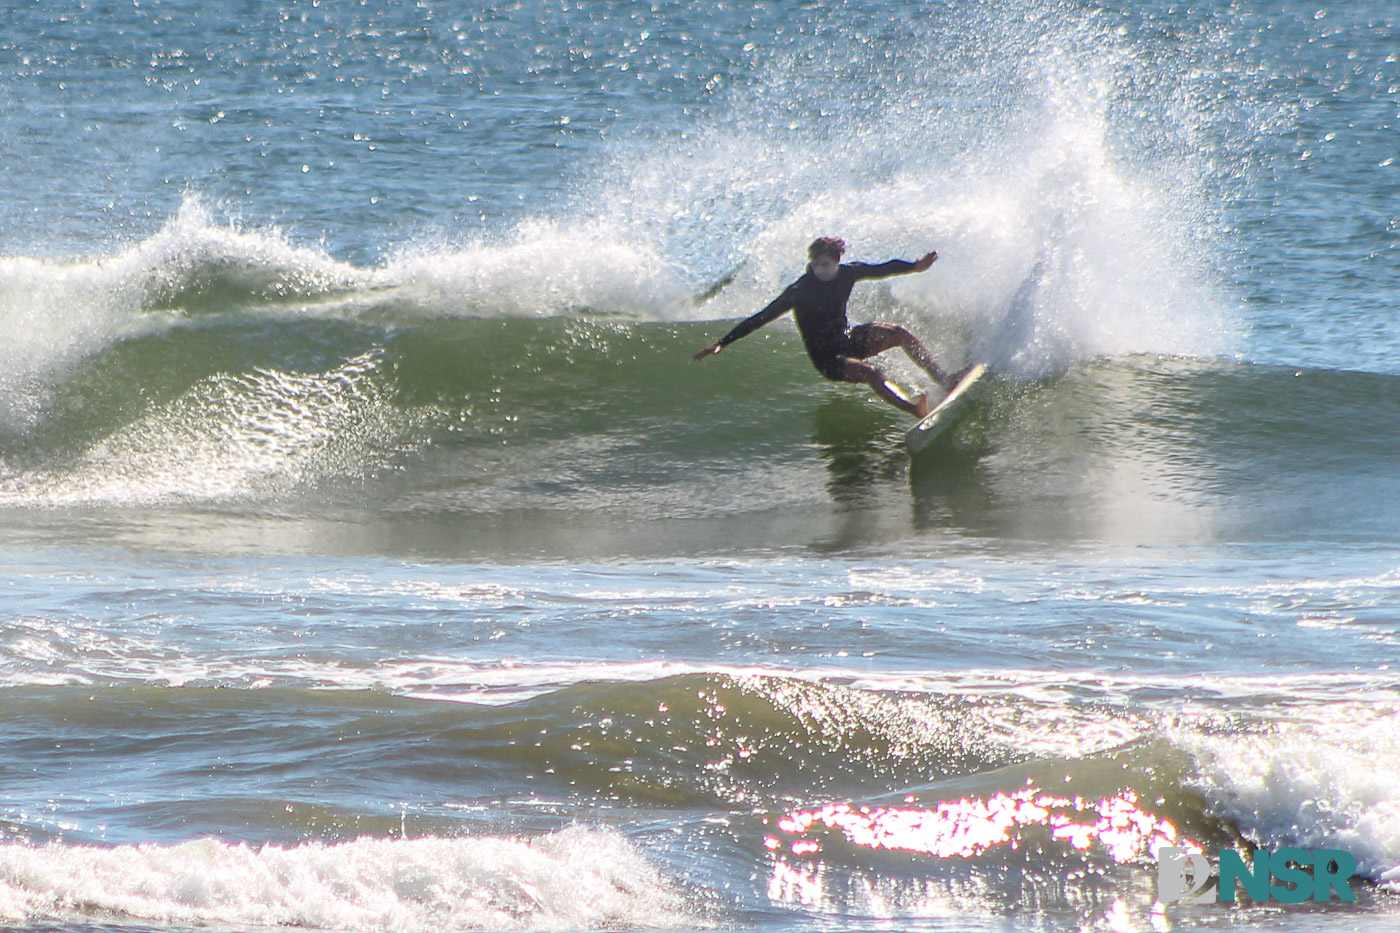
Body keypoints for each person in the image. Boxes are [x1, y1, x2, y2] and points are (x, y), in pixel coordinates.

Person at [693, 237, 962, 418]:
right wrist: (722, 343)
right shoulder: (800, 290)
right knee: (871, 372)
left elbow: (882, 268)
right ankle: (914, 409)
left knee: (899, 333)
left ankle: (944, 378)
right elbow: (761, 317)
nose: (819, 270)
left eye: (825, 265)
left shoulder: (848, 272)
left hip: (846, 339)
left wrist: (915, 267)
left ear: (837, 262)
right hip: (827, 359)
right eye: (815, 265)